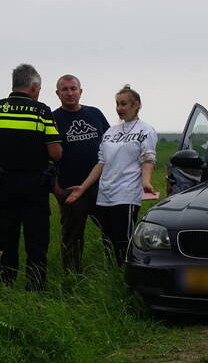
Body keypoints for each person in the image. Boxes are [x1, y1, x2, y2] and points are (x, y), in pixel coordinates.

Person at [0, 64, 62, 289]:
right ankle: (35, 288)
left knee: (5, 237)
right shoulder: (41, 111)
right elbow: (55, 152)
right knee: (36, 239)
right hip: (33, 185)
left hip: (2, 184)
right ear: (34, 87)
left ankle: (4, 285)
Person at [66, 85, 157, 264]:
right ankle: (113, 275)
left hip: (127, 194)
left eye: (124, 104)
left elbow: (148, 159)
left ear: (136, 104)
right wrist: (83, 188)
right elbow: (101, 163)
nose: (119, 108)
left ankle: (127, 275)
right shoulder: (110, 132)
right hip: (105, 194)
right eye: (117, 104)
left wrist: (146, 182)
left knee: (123, 240)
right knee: (107, 240)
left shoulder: (146, 130)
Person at [51, 74, 111, 273]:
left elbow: (111, 145)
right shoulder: (52, 119)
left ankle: (114, 270)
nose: (69, 93)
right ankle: (71, 278)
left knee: (111, 231)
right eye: (65, 89)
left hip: (101, 186)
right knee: (72, 237)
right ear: (57, 93)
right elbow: (45, 156)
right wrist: (56, 188)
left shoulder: (95, 114)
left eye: (73, 88)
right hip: (70, 188)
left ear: (81, 91)